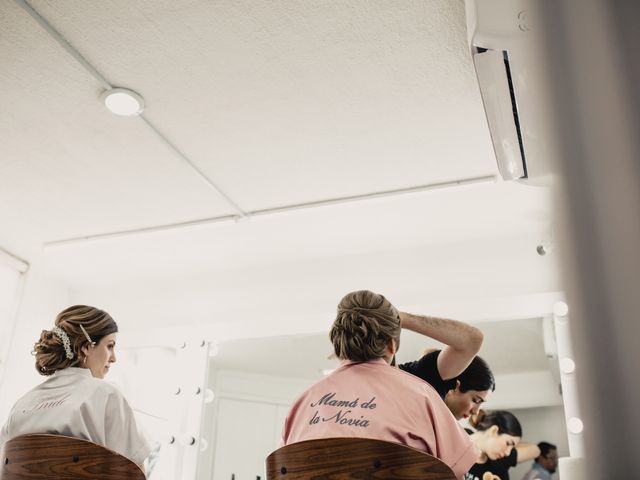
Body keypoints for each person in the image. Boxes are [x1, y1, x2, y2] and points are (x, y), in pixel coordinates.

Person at [281, 290, 479, 479]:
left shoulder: (302, 403)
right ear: (392, 344)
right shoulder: (422, 396)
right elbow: (456, 472)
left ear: (339, 340)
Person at [0, 305, 152, 469]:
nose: (113, 358)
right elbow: (134, 471)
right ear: (86, 347)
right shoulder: (107, 395)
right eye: (110, 346)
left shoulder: (22, 404)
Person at [398, 315, 495, 420]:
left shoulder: (436, 415)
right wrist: (396, 317)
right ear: (456, 386)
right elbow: (473, 338)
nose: (475, 412)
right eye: (475, 400)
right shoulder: (429, 380)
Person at [464, 410, 541, 480]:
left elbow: (536, 450)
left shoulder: (500, 462)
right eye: (508, 443)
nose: (508, 453)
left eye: (512, 447)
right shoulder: (457, 438)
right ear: (493, 431)